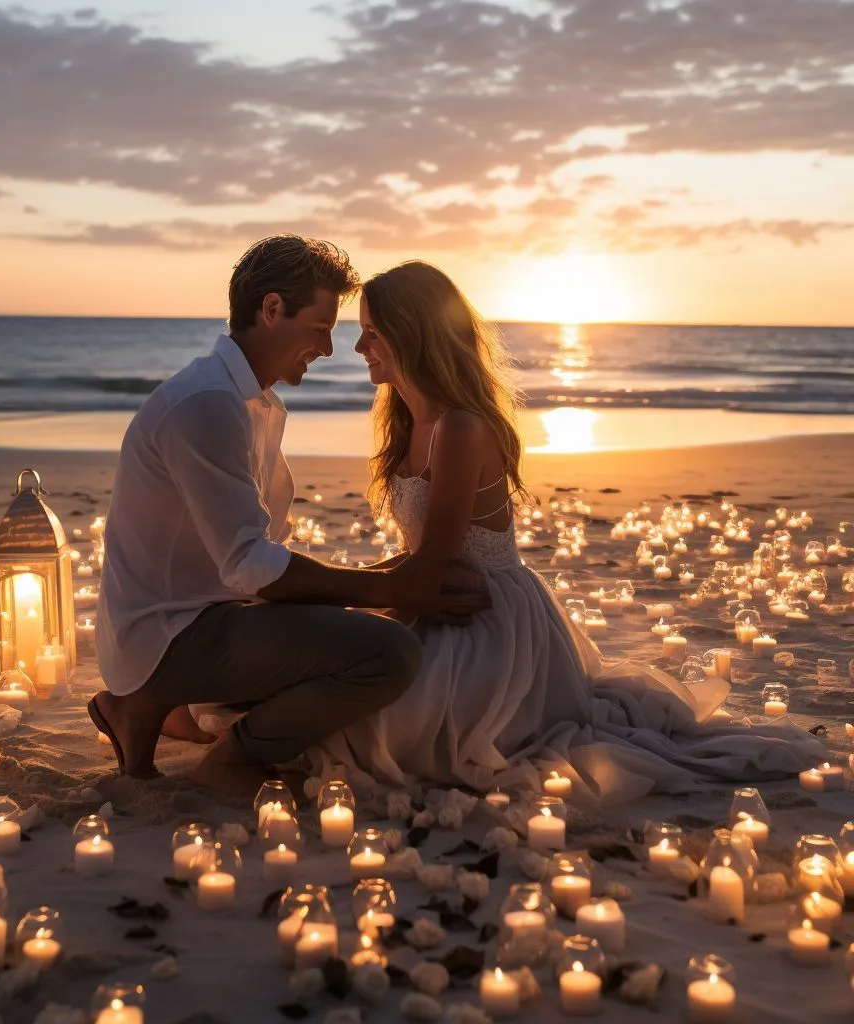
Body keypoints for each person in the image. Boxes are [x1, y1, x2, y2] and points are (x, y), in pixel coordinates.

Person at [304, 260, 823, 802]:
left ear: (413, 335)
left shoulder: (458, 426)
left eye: (371, 333)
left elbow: (432, 558)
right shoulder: (408, 423)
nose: (359, 348)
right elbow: (421, 561)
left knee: (380, 734)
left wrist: (325, 589)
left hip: (483, 619)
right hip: (434, 599)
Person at [90, 237, 489, 796]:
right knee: (389, 653)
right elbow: (252, 565)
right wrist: (395, 588)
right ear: (272, 309)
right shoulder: (207, 404)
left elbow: (260, 560)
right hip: (171, 634)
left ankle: (142, 708)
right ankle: (232, 757)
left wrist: (386, 584)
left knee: (342, 649)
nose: (329, 348)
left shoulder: (254, 403)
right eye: (321, 327)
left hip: (204, 616)